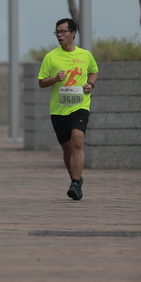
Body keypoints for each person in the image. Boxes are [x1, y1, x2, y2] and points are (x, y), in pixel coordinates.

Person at [38, 18, 98, 201]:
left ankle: (75, 183)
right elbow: (41, 82)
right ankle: (75, 178)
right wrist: (55, 79)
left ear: (73, 33)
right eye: (57, 32)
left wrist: (90, 84)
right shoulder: (51, 57)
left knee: (78, 140)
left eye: (63, 31)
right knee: (67, 148)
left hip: (80, 105)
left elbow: (94, 71)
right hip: (59, 109)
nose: (59, 35)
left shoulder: (85, 55)